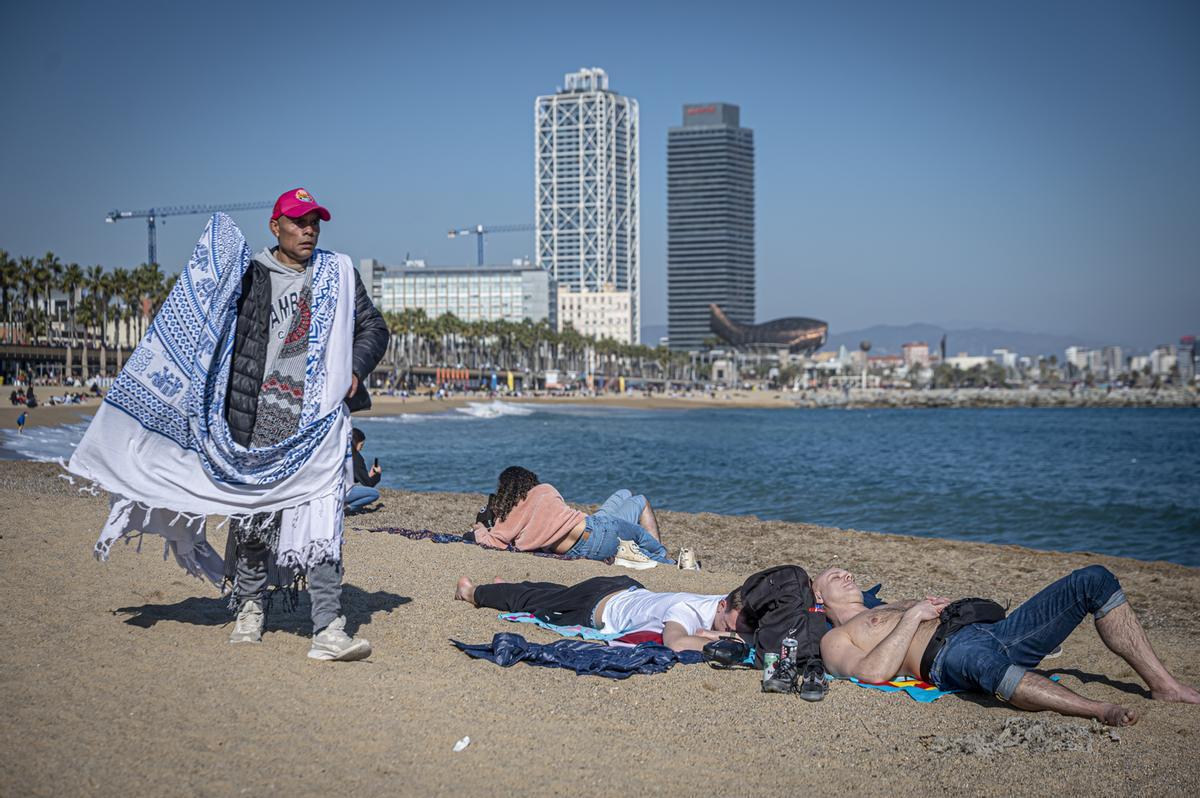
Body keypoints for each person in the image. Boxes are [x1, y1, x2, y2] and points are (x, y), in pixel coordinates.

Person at [69, 187, 389, 662]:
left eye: (315, 222)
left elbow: (374, 328)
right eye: (298, 222)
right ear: (275, 225)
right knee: (254, 521)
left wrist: (355, 371)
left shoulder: (338, 273)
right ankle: (250, 607)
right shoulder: (246, 276)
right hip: (252, 419)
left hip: (317, 422)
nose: (309, 230)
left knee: (324, 523)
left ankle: (328, 627)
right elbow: (204, 326)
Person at [814, 564, 1200, 727]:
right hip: (949, 655)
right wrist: (914, 617)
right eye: (834, 575)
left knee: (1093, 580)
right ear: (819, 598)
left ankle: (1164, 685)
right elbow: (871, 673)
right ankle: (1099, 709)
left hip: (997, 631)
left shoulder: (883, 605)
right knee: (990, 668)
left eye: (845, 569)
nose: (846, 573)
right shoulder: (835, 638)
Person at [454, 574, 747, 652]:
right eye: (728, 625)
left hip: (621, 589)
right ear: (723, 604)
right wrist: (727, 642)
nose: (730, 631)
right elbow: (678, 642)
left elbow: (699, 632)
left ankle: (510, 587)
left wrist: (715, 631)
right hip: (593, 607)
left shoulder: (719, 602)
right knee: (537, 603)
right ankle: (470, 593)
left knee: (554, 593)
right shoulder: (685, 611)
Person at [472, 466, 673, 568]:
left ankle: (656, 558)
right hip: (599, 531)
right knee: (640, 503)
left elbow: (491, 541)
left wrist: (480, 527)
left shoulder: (510, 518)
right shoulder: (544, 490)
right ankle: (665, 559)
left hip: (592, 533)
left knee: (624, 494)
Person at [347, 427, 381, 513]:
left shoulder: (341, 452)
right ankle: (349, 508)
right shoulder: (355, 457)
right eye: (361, 445)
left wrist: (368, 476)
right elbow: (369, 484)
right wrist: (377, 475)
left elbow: (352, 477)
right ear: (355, 442)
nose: (361, 448)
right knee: (374, 493)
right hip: (341, 492)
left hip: (328, 491)